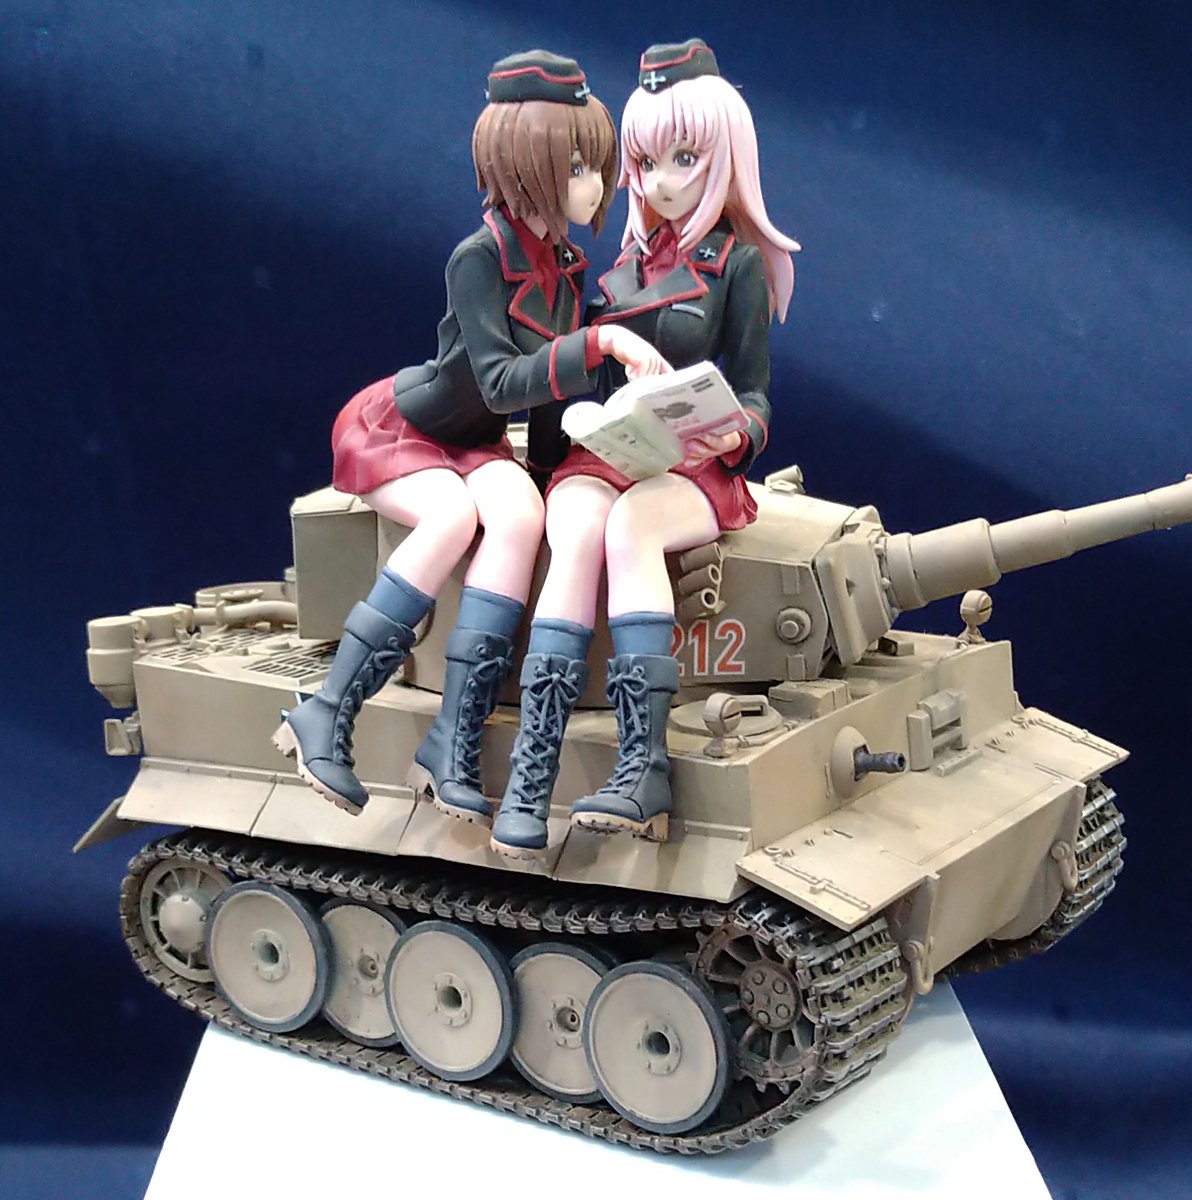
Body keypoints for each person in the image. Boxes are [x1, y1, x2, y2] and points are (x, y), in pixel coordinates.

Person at [273, 50, 666, 818]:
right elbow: (500, 383)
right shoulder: (479, 259)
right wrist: (597, 344)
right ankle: (326, 709)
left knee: (520, 513)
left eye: (598, 164)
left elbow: (549, 401)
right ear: (525, 165)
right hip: (403, 426)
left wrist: (558, 466)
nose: (599, 183)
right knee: (454, 517)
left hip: (473, 441)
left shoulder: (564, 262)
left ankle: (450, 739)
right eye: (578, 165)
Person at [490, 38, 799, 857]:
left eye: (683, 159)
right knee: (575, 529)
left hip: (693, 465)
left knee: (630, 530)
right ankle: (532, 770)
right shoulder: (619, 265)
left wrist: (739, 431)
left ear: (723, 157)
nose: (659, 179)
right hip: (610, 451)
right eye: (645, 160)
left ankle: (642, 767)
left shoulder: (734, 267)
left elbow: (756, 388)